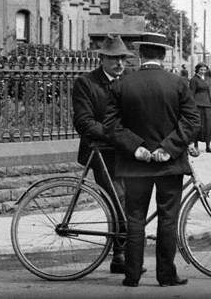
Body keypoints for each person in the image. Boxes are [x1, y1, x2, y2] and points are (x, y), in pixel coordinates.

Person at [104, 40, 199, 288]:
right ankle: (166, 275)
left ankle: (132, 275)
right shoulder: (177, 83)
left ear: (140, 54)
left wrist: (137, 148)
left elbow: (112, 126)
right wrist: (167, 149)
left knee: (135, 218)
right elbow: (191, 121)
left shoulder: (122, 84)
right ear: (163, 55)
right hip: (169, 165)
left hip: (136, 165)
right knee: (168, 218)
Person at [71, 34, 133, 274]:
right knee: (119, 199)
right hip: (101, 152)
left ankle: (122, 254)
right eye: (114, 58)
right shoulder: (86, 83)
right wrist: (114, 135)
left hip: (126, 152)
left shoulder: (128, 81)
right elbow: (84, 121)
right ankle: (120, 254)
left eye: (123, 59)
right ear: (102, 59)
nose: (119, 64)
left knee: (131, 201)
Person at [189, 63, 211, 154]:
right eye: (201, 69)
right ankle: (195, 145)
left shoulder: (207, 79)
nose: (203, 71)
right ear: (197, 70)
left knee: (208, 124)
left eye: (204, 69)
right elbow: (191, 93)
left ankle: (208, 146)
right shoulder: (193, 80)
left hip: (207, 104)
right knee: (197, 125)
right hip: (197, 104)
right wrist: (191, 105)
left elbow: (209, 91)